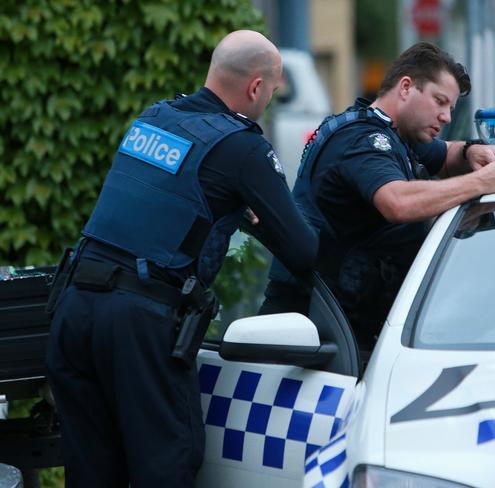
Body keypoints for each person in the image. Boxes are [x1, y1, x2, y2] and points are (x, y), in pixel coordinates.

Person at [45, 30, 317, 488]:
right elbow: (304, 251)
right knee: (167, 465)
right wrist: (251, 215)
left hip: (74, 309)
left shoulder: (156, 117)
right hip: (139, 324)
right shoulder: (243, 146)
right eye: (270, 93)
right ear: (255, 87)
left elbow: (163, 205)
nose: (267, 102)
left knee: (91, 473)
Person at [260, 42, 495, 349]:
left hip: (351, 326)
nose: (447, 116)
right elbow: (398, 202)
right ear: (406, 87)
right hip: (318, 337)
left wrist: (471, 150)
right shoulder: (364, 142)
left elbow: (445, 154)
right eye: (440, 102)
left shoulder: (398, 134)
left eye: (450, 107)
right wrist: (481, 182)